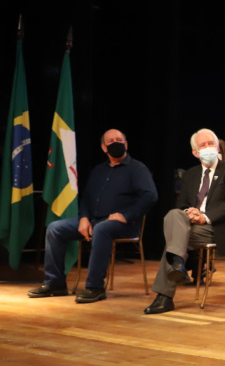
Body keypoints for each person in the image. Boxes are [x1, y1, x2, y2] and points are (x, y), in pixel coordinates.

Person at [28, 129, 157, 303]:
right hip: (94, 220)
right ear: (104, 148)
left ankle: (95, 287)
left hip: (123, 223)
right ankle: (55, 283)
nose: (116, 143)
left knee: (102, 229)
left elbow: (150, 196)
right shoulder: (98, 170)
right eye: (111, 141)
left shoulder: (137, 168)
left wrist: (126, 215)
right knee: (55, 228)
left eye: (119, 140)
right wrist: (83, 218)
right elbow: (87, 199)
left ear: (126, 144)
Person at [143, 129, 225, 314]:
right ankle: (177, 266)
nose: (207, 148)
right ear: (195, 152)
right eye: (202, 145)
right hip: (190, 226)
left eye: (210, 144)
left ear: (217, 147)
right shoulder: (190, 174)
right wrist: (190, 213)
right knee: (174, 214)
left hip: (217, 228)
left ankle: (168, 288)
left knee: (176, 238)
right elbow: (182, 204)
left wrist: (204, 217)